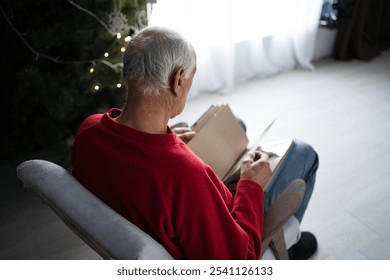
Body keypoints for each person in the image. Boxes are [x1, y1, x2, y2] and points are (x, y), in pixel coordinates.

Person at [72, 26, 319, 260]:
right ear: (178, 80)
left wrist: (163, 140)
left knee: (237, 124)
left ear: (127, 73)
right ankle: (287, 245)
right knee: (304, 153)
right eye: (191, 77)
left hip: (156, 211)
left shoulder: (89, 130)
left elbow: (135, 166)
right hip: (215, 219)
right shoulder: (185, 175)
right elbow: (237, 262)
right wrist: (251, 186)